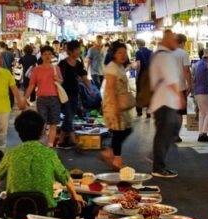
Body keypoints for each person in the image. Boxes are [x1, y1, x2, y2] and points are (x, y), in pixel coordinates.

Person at [0, 110, 84, 219]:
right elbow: (66, 178)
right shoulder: (49, 154)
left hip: (14, 213)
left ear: (19, 133)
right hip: (45, 213)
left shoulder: (11, 154)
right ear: (41, 132)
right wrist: (74, 196)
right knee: (72, 206)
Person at [149, 30, 184, 179]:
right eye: (173, 39)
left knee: (169, 131)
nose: (176, 42)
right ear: (166, 40)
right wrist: (180, 96)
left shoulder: (162, 55)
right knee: (164, 134)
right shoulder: (164, 56)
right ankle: (158, 166)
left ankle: (159, 162)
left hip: (165, 101)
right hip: (164, 102)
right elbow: (171, 80)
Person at [100, 41, 136, 170]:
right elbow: (109, 89)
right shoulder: (111, 68)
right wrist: (115, 107)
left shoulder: (120, 67)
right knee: (119, 132)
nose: (123, 55)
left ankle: (109, 152)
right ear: (114, 54)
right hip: (113, 105)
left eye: (124, 52)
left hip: (121, 105)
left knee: (127, 129)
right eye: (119, 52)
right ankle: (116, 160)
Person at [24, 45, 63, 147]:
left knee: (53, 124)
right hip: (41, 99)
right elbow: (32, 85)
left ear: (52, 56)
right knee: (41, 123)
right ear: (41, 56)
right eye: (45, 54)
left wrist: (57, 79)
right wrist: (25, 99)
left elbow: (61, 81)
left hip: (55, 98)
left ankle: (50, 145)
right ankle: (40, 144)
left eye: (49, 54)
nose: (47, 56)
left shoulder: (56, 68)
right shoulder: (37, 70)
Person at [58, 40, 93, 149]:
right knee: (69, 115)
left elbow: (83, 77)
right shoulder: (62, 64)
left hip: (74, 94)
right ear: (70, 51)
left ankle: (61, 140)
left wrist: (90, 89)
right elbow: (57, 78)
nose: (79, 51)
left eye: (79, 49)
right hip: (64, 95)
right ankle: (72, 139)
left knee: (70, 116)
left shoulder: (78, 64)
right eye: (77, 49)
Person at [193, 46, 208, 143]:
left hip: (198, 91)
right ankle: (204, 133)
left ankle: (201, 134)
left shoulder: (199, 63)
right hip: (202, 91)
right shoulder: (204, 64)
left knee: (202, 113)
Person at [175, 34, 193, 123]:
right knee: (178, 112)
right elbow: (186, 71)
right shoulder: (183, 53)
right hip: (179, 87)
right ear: (183, 42)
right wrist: (190, 84)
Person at [134, 38, 153, 117]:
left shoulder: (138, 52)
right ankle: (148, 112)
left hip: (141, 75)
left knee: (139, 93)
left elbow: (138, 65)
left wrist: (137, 76)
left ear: (139, 44)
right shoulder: (151, 52)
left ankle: (139, 111)